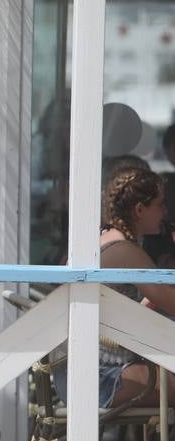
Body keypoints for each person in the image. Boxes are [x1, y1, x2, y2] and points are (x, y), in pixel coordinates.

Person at [52, 168, 175, 410]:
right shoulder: (125, 250)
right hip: (100, 379)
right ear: (140, 210)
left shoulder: (102, 238)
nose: (166, 212)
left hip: (78, 372)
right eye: (161, 205)